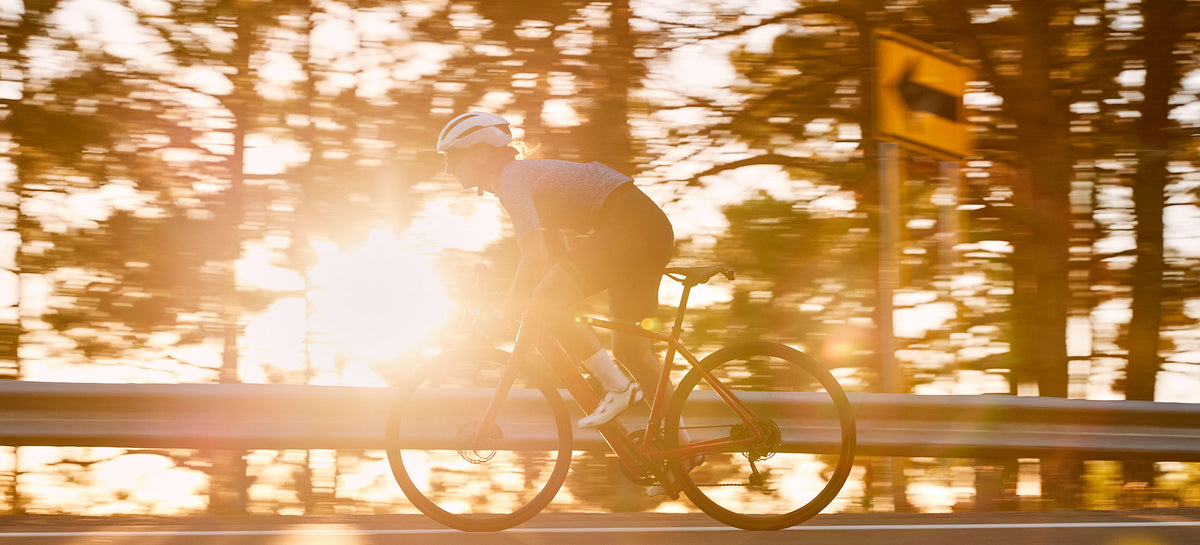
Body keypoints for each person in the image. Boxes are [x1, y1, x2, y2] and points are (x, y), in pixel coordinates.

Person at [436, 111, 673, 429]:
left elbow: (534, 257)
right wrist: (518, 294)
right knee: (632, 352)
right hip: (649, 229)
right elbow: (555, 257)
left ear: (480, 153)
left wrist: (511, 308)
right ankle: (681, 445)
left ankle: (618, 388)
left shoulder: (512, 180)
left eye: (452, 158)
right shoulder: (524, 178)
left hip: (629, 228)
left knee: (546, 303)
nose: (448, 168)